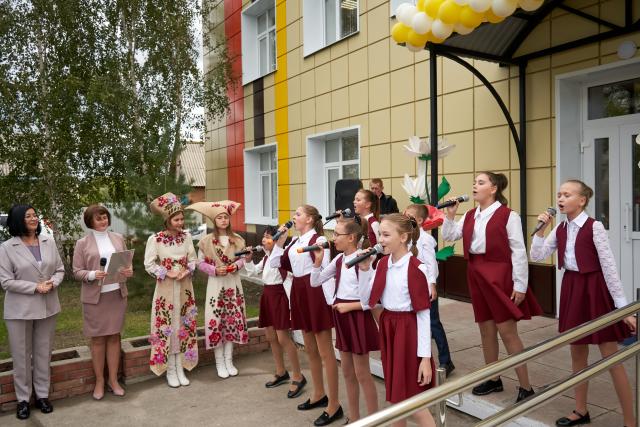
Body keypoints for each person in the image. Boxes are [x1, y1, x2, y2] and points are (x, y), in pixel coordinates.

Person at [530, 179, 636, 427]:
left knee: (611, 357)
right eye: (559, 194)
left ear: (582, 200)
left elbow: (609, 268)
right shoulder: (560, 228)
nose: (561, 199)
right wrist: (541, 231)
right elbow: (537, 255)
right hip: (572, 289)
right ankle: (580, 410)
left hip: (595, 290)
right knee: (577, 352)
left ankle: (630, 421)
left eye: (567, 195)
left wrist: (623, 310)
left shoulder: (594, 227)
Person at [442, 172, 542, 403]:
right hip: (476, 273)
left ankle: (526, 387)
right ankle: (493, 378)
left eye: (480, 182)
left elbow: (518, 250)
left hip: (499, 274)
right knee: (486, 330)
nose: (475, 186)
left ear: (494, 188)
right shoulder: (470, 214)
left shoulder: (508, 215)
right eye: (474, 182)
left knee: (507, 332)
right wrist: (450, 215)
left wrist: (520, 285)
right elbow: (450, 235)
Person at [357, 213, 436, 427]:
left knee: (414, 403)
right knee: (395, 398)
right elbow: (366, 301)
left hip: (407, 332)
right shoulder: (382, 264)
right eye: (379, 235)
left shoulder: (416, 268)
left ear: (403, 237)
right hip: (389, 329)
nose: (380, 240)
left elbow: (423, 315)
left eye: (385, 235)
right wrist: (364, 270)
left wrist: (425, 359)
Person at [270, 205, 343, 426]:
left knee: (325, 352)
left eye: (298, 214)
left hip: (315, 292)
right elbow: (276, 263)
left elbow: (325, 270)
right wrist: (279, 242)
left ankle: (334, 404)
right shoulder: (294, 241)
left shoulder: (318, 239)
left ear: (310, 219)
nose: (294, 217)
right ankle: (319, 394)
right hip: (299, 292)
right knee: (310, 348)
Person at [310, 218, 379, 423]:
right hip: (342, 318)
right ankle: (354, 417)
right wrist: (317, 262)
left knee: (362, 373)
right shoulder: (339, 259)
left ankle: (375, 420)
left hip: (357, 317)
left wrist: (349, 307)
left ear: (351, 237)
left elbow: (372, 300)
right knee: (348, 372)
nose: (333, 238)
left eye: (337, 234)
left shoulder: (364, 260)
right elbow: (315, 281)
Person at [0, 204, 64, 420]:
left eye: (35, 215)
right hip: (20, 311)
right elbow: (6, 281)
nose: (34, 218)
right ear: (18, 220)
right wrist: (35, 287)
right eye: (28, 216)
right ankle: (23, 400)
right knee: (21, 356)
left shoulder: (48, 241)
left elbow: (60, 269)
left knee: (43, 353)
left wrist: (53, 283)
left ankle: (42, 396)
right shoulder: (7, 247)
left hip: (48, 307)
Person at [73, 205, 133, 400]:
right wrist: (92, 274)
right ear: (90, 221)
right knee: (98, 339)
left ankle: (113, 380)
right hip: (95, 299)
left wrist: (128, 271)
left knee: (114, 337)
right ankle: (99, 381)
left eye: (105, 217)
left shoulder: (118, 238)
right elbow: (76, 271)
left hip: (116, 295)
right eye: (98, 218)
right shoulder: (82, 243)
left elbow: (126, 262)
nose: (103, 221)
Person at [187, 200, 248, 379]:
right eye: (220, 217)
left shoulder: (238, 240)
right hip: (216, 285)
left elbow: (243, 259)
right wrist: (214, 270)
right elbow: (199, 262)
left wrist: (236, 266)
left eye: (226, 217)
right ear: (214, 220)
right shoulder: (206, 241)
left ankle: (229, 360)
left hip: (233, 284)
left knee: (231, 321)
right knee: (217, 321)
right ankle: (219, 362)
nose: (223, 220)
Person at [243, 226, 306, 397]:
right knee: (271, 337)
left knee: (283, 338)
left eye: (268, 237)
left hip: (279, 297)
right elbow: (253, 272)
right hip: (267, 296)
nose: (264, 240)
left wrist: (279, 243)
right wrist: (248, 260)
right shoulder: (266, 257)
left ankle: (298, 376)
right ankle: (281, 372)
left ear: (277, 239)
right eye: (263, 236)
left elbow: (286, 273)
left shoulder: (281, 256)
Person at [144, 193, 199, 388]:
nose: (180, 223)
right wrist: (167, 272)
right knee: (167, 326)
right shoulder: (156, 239)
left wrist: (187, 271)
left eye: (182, 219)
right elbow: (149, 264)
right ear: (167, 220)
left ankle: (181, 366)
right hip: (165, 290)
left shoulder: (187, 237)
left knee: (182, 325)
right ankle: (170, 369)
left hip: (184, 288)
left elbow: (193, 259)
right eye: (176, 220)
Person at [404, 204, 455, 377]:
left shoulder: (425, 239)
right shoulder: (406, 237)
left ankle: (446, 361)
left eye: (409, 216)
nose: (405, 217)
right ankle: (419, 359)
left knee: (433, 323)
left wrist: (431, 284)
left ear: (419, 220)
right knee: (416, 323)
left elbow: (431, 264)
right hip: (411, 286)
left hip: (425, 287)